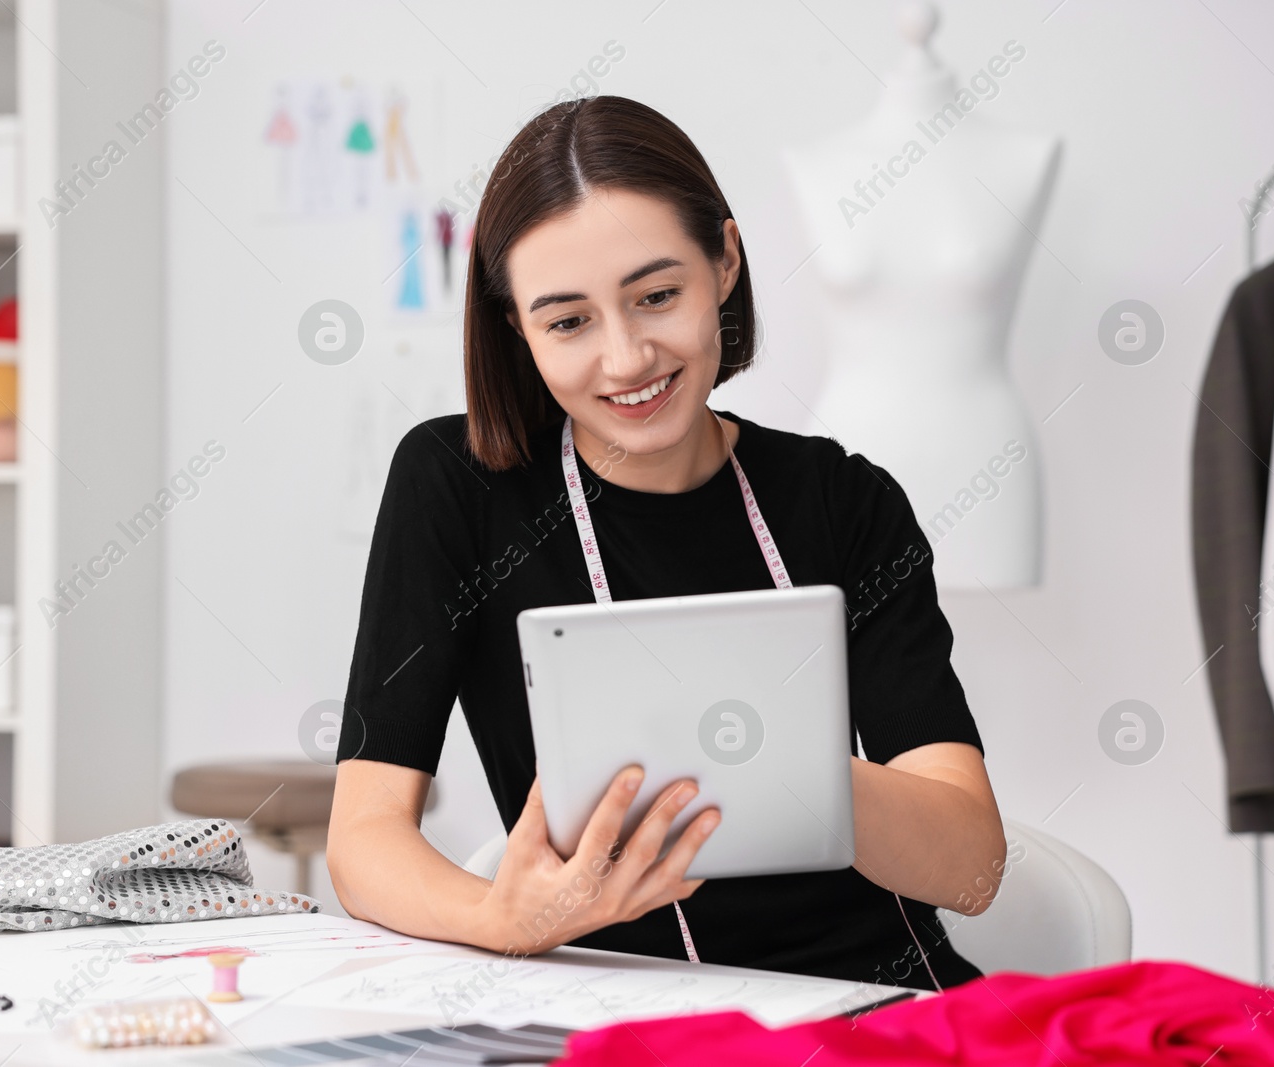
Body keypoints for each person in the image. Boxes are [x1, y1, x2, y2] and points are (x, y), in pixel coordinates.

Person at [326, 95, 1005, 992]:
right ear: (517, 331)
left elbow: (973, 869)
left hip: (878, 1006)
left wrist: (775, 758)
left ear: (723, 262)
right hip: (618, 1018)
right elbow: (362, 837)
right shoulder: (455, 488)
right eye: (568, 321)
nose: (626, 358)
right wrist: (498, 917)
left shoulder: (844, 501)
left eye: (656, 296)